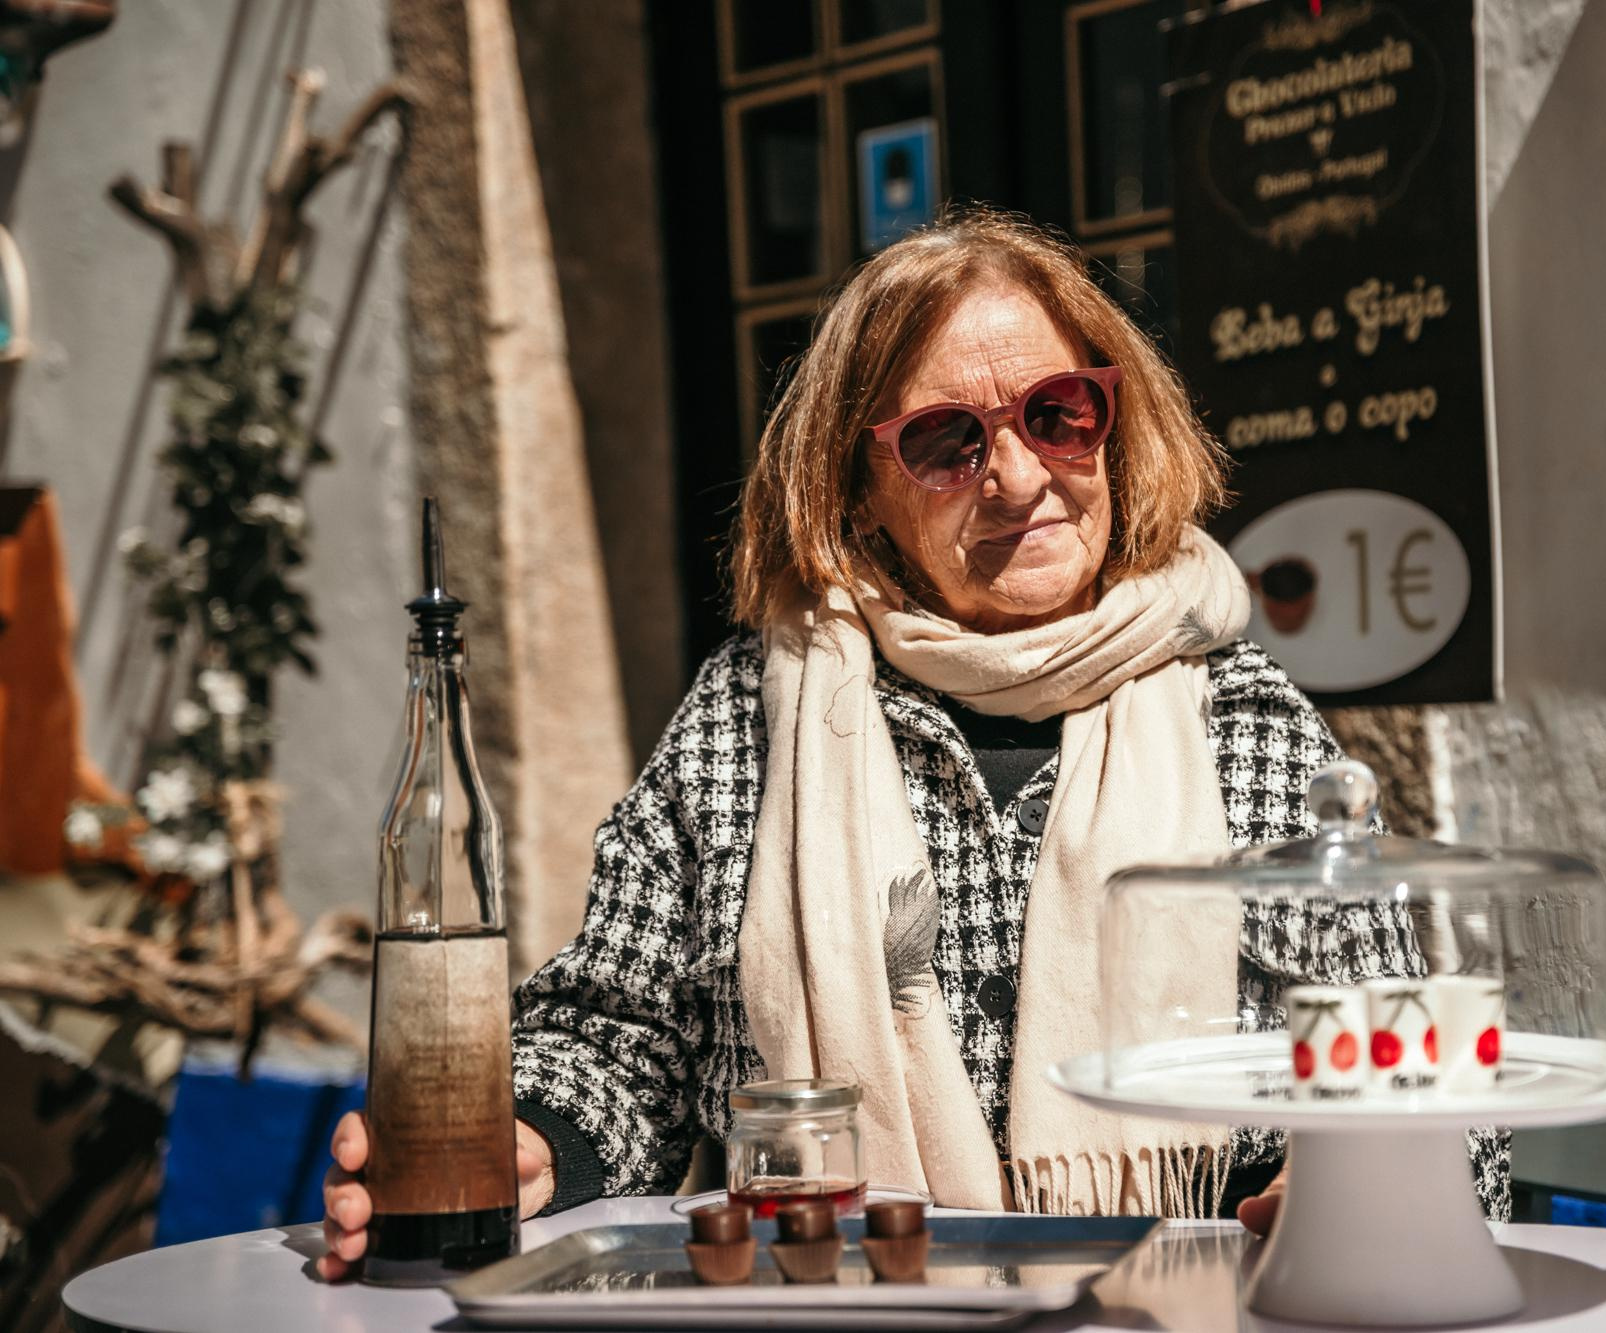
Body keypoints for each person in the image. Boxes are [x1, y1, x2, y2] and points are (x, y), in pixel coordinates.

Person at [319, 208, 1505, 1279]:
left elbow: (1400, 1061)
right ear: (856, 489)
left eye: (1057, 413)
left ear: (1113, 421)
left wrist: (1368, 1172)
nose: (1018, 475)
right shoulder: (753, 713)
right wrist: (526, 1135)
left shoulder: (1238, 714)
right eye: (946, 441)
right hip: (838, 1309)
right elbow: (619, 1032)